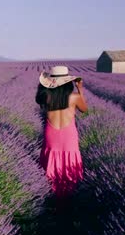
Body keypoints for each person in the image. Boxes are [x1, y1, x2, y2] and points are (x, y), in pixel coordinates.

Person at [35, 65, 88, 207]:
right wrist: (80, 89)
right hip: (68, 135)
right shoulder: (74, 97)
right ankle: (69, 199)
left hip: (51, 133)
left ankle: (52, 197)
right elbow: (84, 109)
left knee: (51, 160)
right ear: (68, 82)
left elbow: (39, 96)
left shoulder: (46, 96)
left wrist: (45, 85)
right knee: (69, 161)